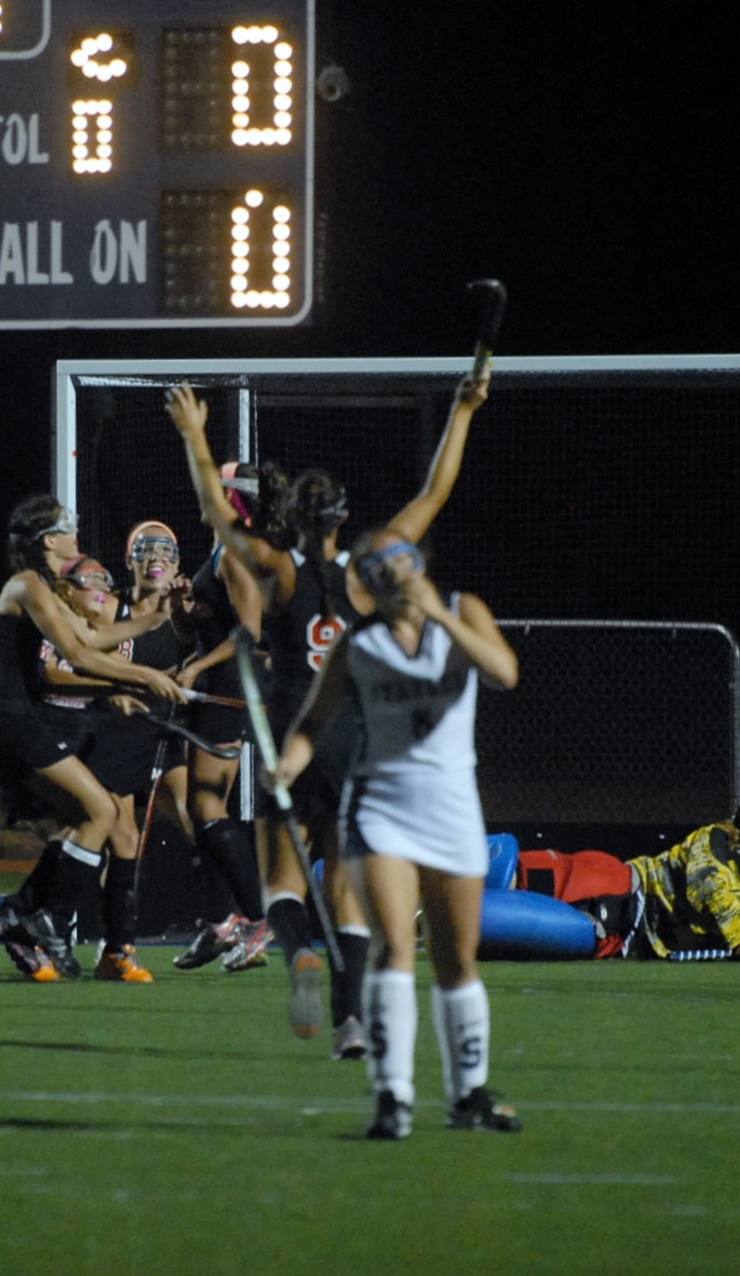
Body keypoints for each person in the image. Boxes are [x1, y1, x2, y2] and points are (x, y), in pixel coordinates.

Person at [167, 373, 492, 1056]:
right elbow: (434, 494)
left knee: (283, 884)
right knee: (344, 892)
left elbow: (223, 520)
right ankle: (349, 1022)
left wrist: (195, 436)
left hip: (292, 727)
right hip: (354, 732)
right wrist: (462, 412)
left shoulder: (276, 570)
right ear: (343, 517)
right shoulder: (370, 570)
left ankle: (298, 958)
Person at [276, 530, 522, 1140]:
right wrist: (287, 763)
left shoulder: (463, 612)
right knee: (391, 945)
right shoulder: (358, 643)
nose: (391, 578)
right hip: (381, 804)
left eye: (397, 563)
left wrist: (438, 613)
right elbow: (312, 721)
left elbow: (504, 673)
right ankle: (394, 1097)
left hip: (453, 806)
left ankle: (469, 1095)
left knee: (455, 959)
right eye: (375, 571)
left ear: (419, 565)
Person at [0, 495, 184, 981]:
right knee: (102, 813)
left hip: (19, 722)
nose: (76, 537)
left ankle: (24, 915)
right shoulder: (28, 583)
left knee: (89, 821)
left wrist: (155, 620)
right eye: (68, 529)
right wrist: (142, 678)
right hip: (13, 721)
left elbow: (92, 641)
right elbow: (76, 654)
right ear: (49, 540)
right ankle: (40, 918)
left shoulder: (44, 587)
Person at [170, 469, 283, 974]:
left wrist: (197, 665)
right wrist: (182, 607)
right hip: (211, 689)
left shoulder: (236, 550)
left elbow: (249, 633)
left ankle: (257, 918)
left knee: (205, 803)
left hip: (227, 691)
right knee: (198, 807)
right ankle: (222, 923)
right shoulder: (220, 549)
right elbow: (205, 623)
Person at [514, 793, 740, 960]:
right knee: (513, 878)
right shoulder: (714, 844)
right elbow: (734, 920)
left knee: (558, 936)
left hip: (624, 943)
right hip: (618, 893)